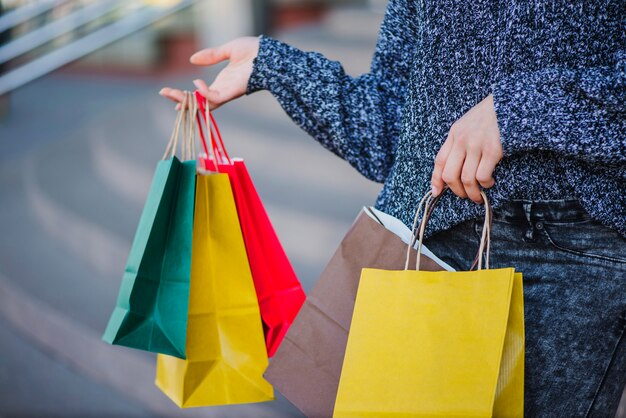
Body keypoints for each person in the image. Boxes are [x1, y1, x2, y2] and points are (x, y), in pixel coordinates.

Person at [160, 0, 625, 415]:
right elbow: (388, 129)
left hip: (569, 253)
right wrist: (274, 66)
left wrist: (520, 110)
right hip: (422, 245)